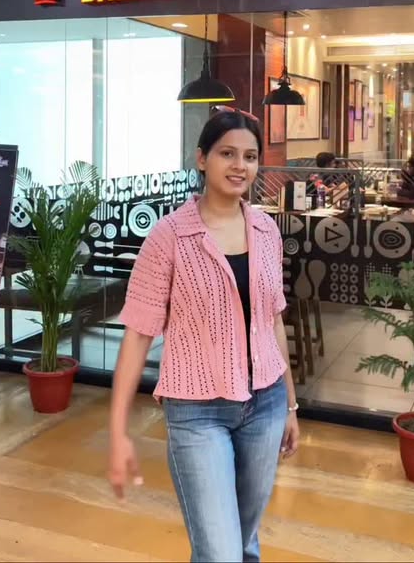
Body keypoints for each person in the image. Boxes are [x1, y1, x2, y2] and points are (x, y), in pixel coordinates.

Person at [108, 108, 299, 563]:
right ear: (201, 159)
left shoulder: (266, 230)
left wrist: (290, 405)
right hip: (197, 412)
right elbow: (137, 336)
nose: (240, 166)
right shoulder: (169, 237)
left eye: (250, 156)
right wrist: (117, 432)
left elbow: (273, 320)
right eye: (227, 154)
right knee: (220, 552)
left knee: (244, 542)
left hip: (266, 405)